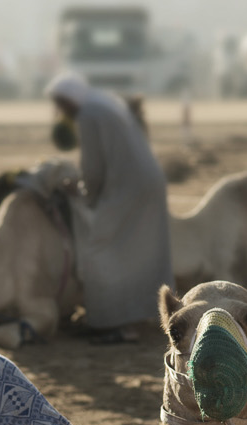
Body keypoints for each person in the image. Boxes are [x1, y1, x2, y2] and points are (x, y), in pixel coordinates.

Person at [45, 72, 173, 343]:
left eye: (60, 103)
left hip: (128, 188)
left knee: (100, 250)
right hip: (146, 182)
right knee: (135, 251)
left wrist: (81, 193)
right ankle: (133, 318)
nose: (60, 110)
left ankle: (116, 325)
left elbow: (93, 167)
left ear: (70, 99)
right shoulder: (104, 102)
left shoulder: (89, 113)